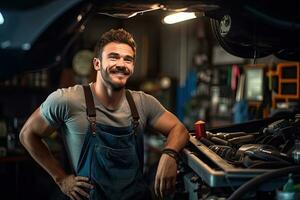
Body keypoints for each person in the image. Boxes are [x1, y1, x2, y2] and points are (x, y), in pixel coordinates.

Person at [19, 28, 190, 200]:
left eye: (128, 59)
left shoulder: (143, 103)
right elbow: (27, 134)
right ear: (97, 64)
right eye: (113, 57)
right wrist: (61, 178)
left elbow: (179, 129)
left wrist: (169, 155)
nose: (121, 64)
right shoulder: (66, 100)